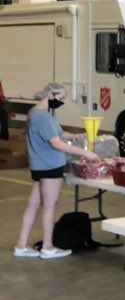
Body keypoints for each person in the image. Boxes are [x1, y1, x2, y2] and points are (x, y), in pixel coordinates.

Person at [14, 82, 99, 259]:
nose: (61, 102)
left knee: (33, 204)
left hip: (38, 166)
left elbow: (57, 134)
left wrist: (75, 136)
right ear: (50, 95)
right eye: (60, 98)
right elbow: (56, 143)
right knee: (50, 206)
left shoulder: (35, 112)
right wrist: (85, 152)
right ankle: (48, 246)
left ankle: (21, 245)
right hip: (50, 166)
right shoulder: (43, 116)